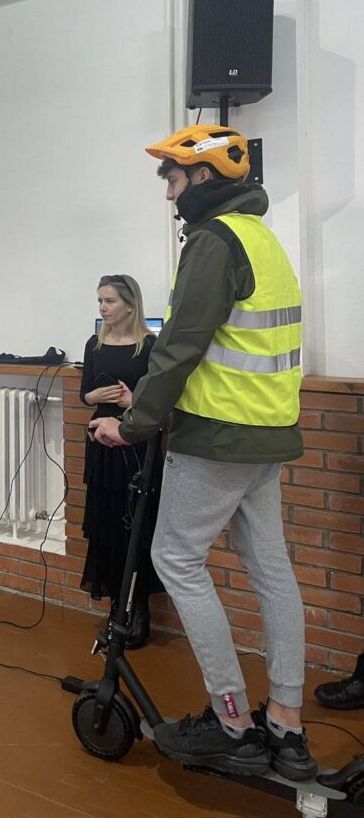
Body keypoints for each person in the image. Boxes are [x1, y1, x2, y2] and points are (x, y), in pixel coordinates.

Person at [90, 123, 317, 781]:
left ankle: (232, 722)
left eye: (173, 177)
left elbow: (180, 345)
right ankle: (286, 721)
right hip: (267, 435)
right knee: (270, 568)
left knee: (176, 558)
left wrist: (132, 425)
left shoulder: (213, 242)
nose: (168, 192)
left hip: (217, 435)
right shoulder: (263, 239)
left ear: (204, 177)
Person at [78, 274, 162, 649]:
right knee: (107, 528)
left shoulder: (150, 346)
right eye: (100, 301)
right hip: (102, 448)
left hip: (135, 447)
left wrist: (132, 402)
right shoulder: (94, 344)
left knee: (136, 530)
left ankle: (139, 611)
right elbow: (85, 395)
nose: (103, 308)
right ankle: (117, 608)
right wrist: (96, 396)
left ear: (130, 304)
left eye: (109, 301)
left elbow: (159, 400)